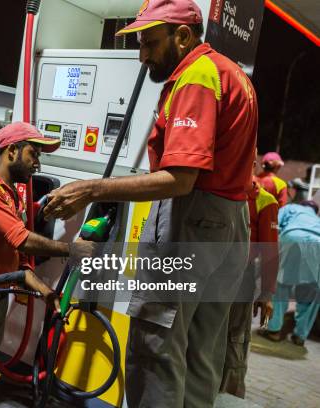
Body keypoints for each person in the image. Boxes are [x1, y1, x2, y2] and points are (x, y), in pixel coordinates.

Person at [43, 0, 258, 406]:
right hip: (229, 224)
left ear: (182, 36)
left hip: (191, 220)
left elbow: (180, 179)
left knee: (155, 344)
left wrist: (90, 189)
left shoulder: (196, 76)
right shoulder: (233, 75)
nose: (142, 56)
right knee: (200, 350)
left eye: (150, 43)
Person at [0, 121, 95, 408]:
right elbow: (20, 239)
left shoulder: (11, 196)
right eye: (33, 154)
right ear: (12, 151)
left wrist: (47, 293)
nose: (37, 163)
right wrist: (71, 249)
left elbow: (20, 264)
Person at [220, 173, 279, 398]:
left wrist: (267, 292)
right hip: (211, 273)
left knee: (234, 339)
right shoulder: (223, 184)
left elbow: (269, 250)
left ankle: (230, 395)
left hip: (240, 277)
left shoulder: (264, 200)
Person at [260, 201, 320, 346]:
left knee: (281, 285)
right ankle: (300, 335)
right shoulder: (316, 220)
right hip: (318, 242)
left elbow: (274, 224)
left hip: (293, 237)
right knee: (310, 290)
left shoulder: (291, 208)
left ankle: (273, 329)